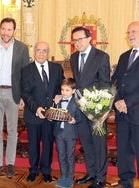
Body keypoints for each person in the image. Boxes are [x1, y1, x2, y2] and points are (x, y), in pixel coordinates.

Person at [0, 17, 30, 178]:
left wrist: (23, 95)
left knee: (12, 130)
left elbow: (25, 74)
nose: (6, 32)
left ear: (14, 31)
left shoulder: (22, 48)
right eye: (3, 29)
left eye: (9, 29)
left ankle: (10, 163)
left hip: (13, 94)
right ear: (0, 29)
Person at [70, 26, 111, 188]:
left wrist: (101, 111)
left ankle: (100, 178)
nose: (77, 43)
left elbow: (105, 85)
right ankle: (91, 173)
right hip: (80, 109)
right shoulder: (73, 58)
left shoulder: (101, 57)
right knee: (86, 144)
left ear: (89, 39)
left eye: (80, 39)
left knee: (99, 145)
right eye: (75, 40)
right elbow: (77, 83)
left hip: (97, 109)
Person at [21, 41, 65, 183]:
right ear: (34, 52)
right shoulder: (26, 70)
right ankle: (33, 170)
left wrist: (61, 94)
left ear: (48, 53)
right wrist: (36, 108)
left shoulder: (56, 68)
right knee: (33, 144)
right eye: (38, 50)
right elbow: (25, 93)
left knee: (48, 143)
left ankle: (46, 170)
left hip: (51, 115)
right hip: (33, 114)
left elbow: (61, 87)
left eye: (44, 51)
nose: (41, 53)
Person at [111, 21, 139, 188]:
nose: (130, 35)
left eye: (134, 31)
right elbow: (115, 82)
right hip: (122, 114)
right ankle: (125, 182)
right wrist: (117, 101)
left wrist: (127, 102)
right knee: (124, 150)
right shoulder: (123, 56)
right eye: (128, 32)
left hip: (137, 112)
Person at [53, 78, 82, 188]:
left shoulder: (77, 102)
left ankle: (69, 178)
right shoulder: (58, 100)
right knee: (61, 156)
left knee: (70, 156)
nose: (64, 93)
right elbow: (54, 113)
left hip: (70, 134)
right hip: (59, 133)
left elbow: (80, 117)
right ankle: (63, 176)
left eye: (67, 90)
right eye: (62, 90)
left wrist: (75, 120)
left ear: (73, 91)